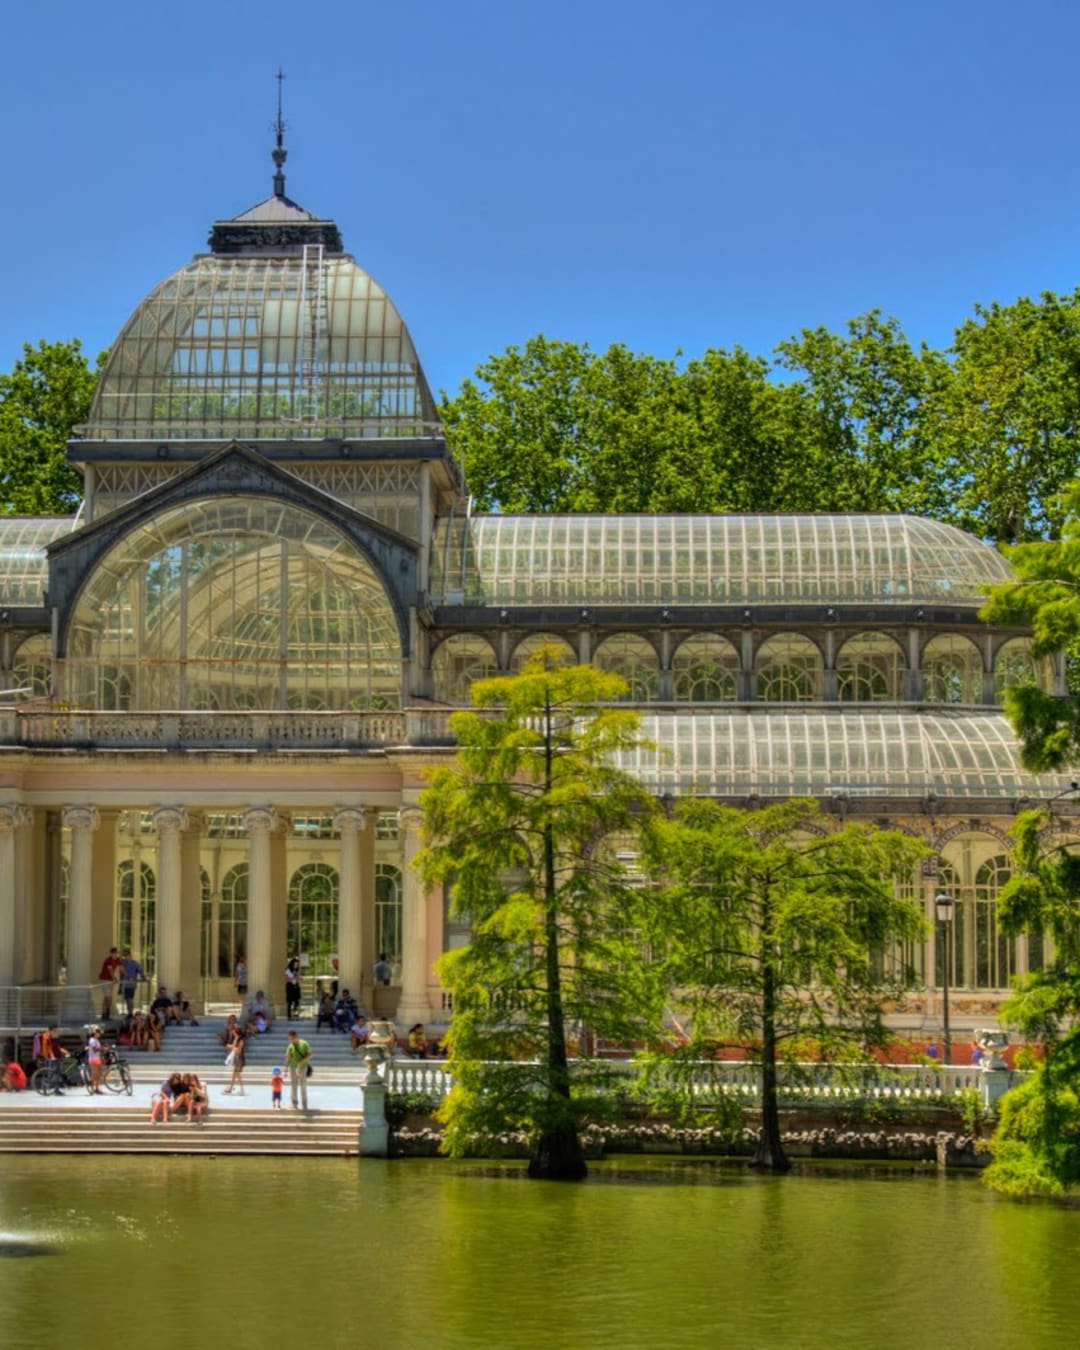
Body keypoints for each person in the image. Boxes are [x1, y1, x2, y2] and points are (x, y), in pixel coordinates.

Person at [285, 1028, 312, 1111]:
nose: (291, 1040)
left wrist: (302, 1061)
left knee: (303, 1085)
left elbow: (310, 1055)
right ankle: (294, 1104)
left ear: (296, 1036)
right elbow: (288, 1057)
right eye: (290, 1039)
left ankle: (304, 1104)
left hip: (303, 1067)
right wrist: (285, 1068)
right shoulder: (290, 1046)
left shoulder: (304, 1044)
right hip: (293, 1067)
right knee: (294, 1085)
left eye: (292, 1038)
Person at [96, 946, 121, 1018]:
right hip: (105, 979)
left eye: (116, 953)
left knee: (108, 997)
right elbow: (110, 970)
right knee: (108, 997)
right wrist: (115, 978)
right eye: (114, 953)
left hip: (110, 980)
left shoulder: (117, 959)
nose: (115, 955)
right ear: (111, 954)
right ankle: (105, 1013)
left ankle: (106, 1013)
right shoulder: (108, 960)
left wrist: (128, 976)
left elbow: (122, 967)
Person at [119, 949, 145, 1016]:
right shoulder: (123, 963)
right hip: (125, 984)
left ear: (130, 955)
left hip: (131, 984)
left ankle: (131, 1013)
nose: (126, 957)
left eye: (127, 955)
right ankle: (129, 1013)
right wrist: (120, 986)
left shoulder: (135, 963)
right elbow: (121, 974)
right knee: (127, 999)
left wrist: (143, 977)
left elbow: (140, 970)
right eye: (125, 955)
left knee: (130, 998)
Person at [224, 1024, 246, 1096]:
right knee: (235, 1075)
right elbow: (234, 1047)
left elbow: (238, 1050)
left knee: (237, 1075)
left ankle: (241, 1089)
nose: (233, 1031)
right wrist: (232, 1046)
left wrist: (231, 1047)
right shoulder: (236, 1039)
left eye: (234, 1030)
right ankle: (231, 1088)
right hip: (236, 1058)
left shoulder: (241, 1040)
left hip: (238, 1058)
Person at [86, 1027, 105, 1093]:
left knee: (99, 1074)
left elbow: (98, 1049)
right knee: (95, 1074)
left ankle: (96, 1088)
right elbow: (94, 1050)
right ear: (95, 1033)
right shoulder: (92, 1040)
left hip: (97, 1059)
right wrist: (103, 1049)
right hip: (93, 1059)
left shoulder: (97, 1040)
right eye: (99, 1033)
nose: (100, 1034)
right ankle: (92, 1088)